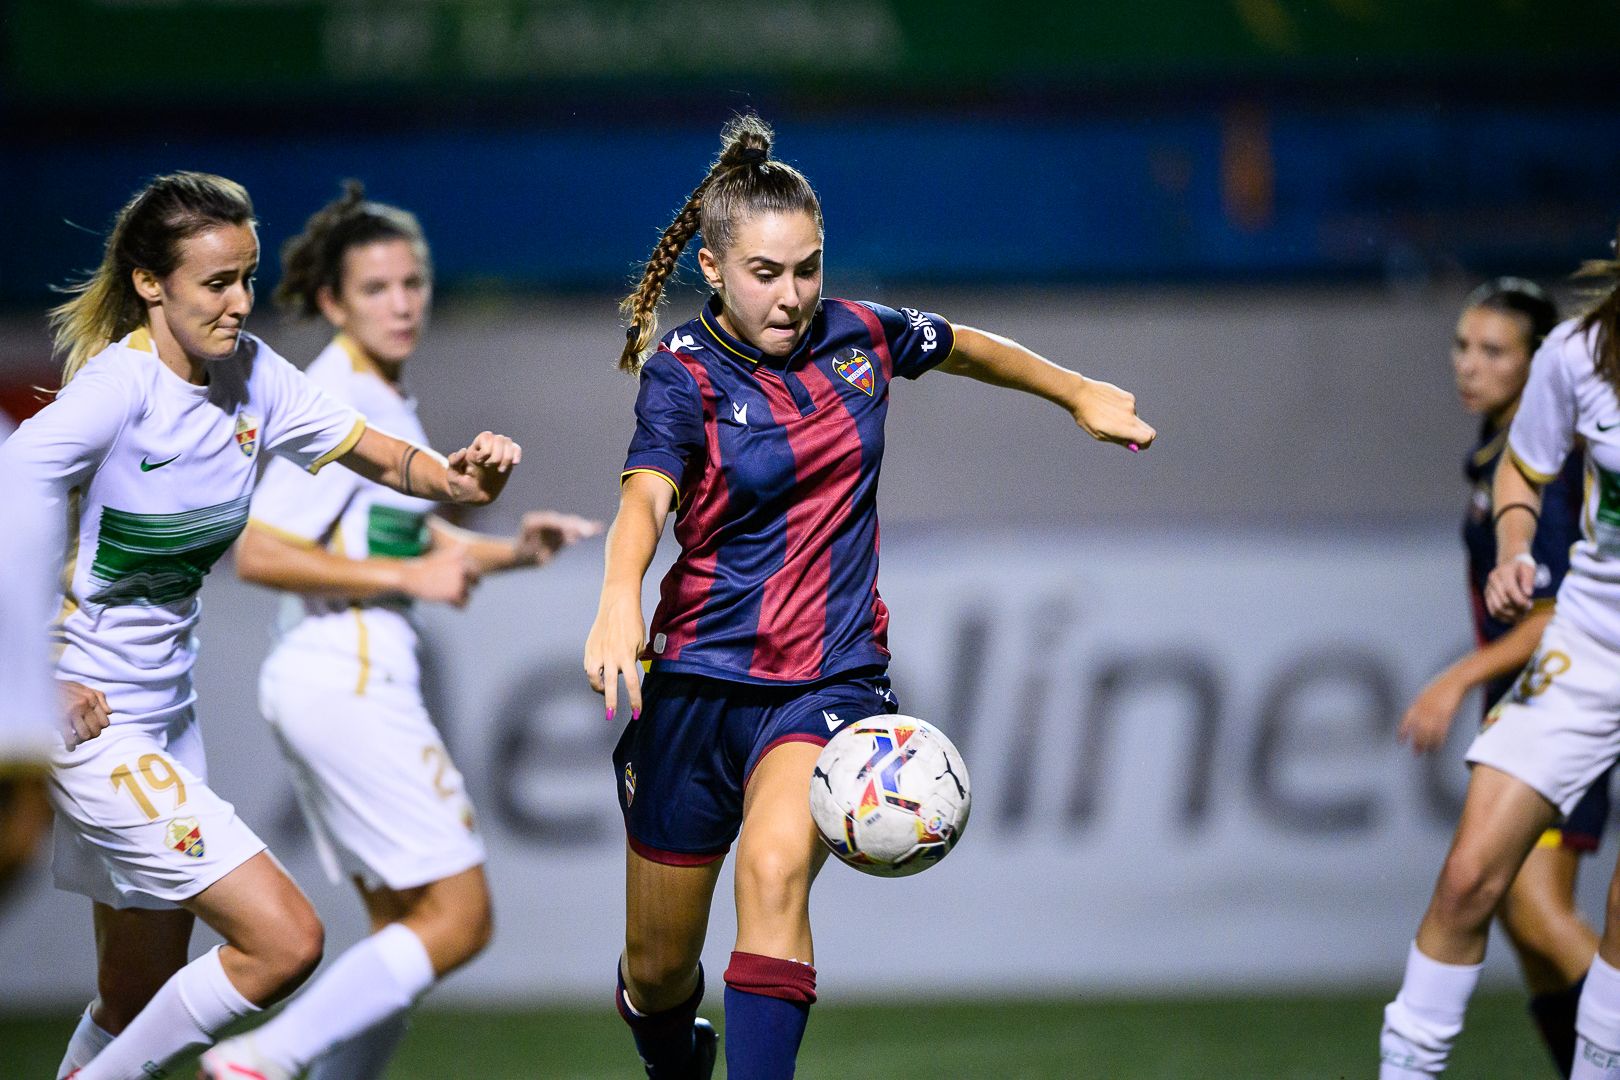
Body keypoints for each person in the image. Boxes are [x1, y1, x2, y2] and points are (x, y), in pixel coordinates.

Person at [582, 114, 1155, 1080]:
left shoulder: (859, 337)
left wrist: (1077, 389)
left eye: (808, 268)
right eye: (767, 273)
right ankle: (672, 1059)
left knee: (773, 875)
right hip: (693, 686)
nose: (794, 294)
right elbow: (646, 498)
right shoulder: (682, 375)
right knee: (658, 968)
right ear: (714, 270)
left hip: (827, 682)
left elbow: (964, 344)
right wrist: (615, 595)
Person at [0, 171, 520, 1080]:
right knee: (285, 940)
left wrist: (455, 479)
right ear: (149, 283)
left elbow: (373, 450)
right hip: (92, 726)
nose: (241, 302)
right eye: (216, 283)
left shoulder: (251, 375)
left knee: (130, 1001)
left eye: (246, 277)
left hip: (166, 720)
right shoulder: (114, 395)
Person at [198, 182, 598, 1080]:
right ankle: (259, 1061)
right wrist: (406, 575)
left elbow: (400, 535)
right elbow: (261, 550)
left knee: (400, 938)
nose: (404, 302)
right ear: (334, 302)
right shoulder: (340, 396)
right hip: (346, 675)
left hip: (329, 676)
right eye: (376, 288)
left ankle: (281, 1064)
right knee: (460, 921)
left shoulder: (381, 397)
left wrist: (511, 554)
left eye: (413, 282)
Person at [1380, 231, 1620, 1079]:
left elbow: (1541, 610)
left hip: (1557, 667)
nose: (1468, 364)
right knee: (1494, 901)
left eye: (1491, 349)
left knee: (1542, 915)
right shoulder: (1541, 404)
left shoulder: (1555, 423)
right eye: (1461, 344)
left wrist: (1455, 680)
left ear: (1527, 359)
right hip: (1572, 667)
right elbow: (1524, 488)